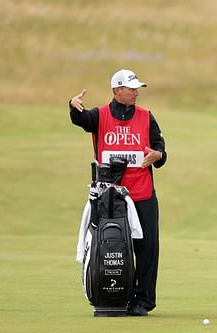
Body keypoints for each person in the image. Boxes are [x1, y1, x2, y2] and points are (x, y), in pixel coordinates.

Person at [69, 69, 167, 316]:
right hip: (109, 196)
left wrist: (157, 155)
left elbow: (160, 152)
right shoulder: (99, 116)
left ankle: (142, 301)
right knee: (109, 246)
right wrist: (73, 106)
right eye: (131, 88)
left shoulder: (147, 117)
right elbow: (80, 119)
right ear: (116, 90)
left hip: (142, 193)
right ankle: (111, 295)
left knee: (146, 248)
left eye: (137, 89)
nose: (136, 93)